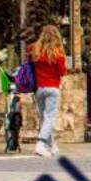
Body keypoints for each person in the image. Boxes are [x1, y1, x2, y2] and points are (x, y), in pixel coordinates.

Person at [28, 26, 67, 158]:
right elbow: (62, 72)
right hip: (53, 88)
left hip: (39, 88)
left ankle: (51, 145)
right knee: (50, 117)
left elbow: (28, 54)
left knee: (44, 118)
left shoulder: (35, 51)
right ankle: (40, 143)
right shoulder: (58, 54)